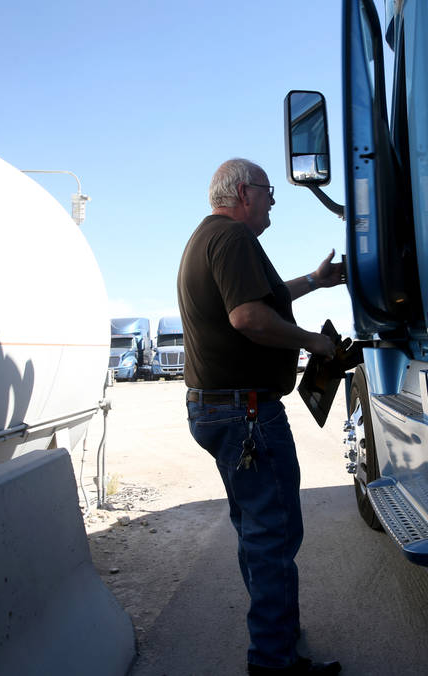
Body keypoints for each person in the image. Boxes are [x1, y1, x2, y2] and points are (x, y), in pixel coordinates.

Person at [177, 158, 344, 675]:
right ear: (244, 193)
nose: (274, 200)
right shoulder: (232, 239)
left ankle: (278, 634)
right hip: (244, 413)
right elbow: (249, 317)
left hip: (220, 410)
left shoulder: (212, 238)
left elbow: (263, 298)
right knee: (272, 535)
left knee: (257, 530)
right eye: (269, 191)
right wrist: (316, 342)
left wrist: (314, 282)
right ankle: (273, 661)